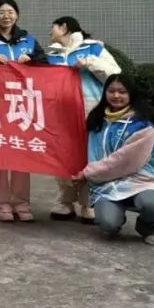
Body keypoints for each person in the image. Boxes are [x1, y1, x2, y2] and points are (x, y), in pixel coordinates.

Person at [0, 0, 45, 222]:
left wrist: (31, 58)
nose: (6, 16)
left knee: (22, 153)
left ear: (17, 15)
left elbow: (45, 63)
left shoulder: (28, 40)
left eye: (11, 12)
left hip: (23, 105)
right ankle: (1, 202)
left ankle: (21, 203)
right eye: (2, 12)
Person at [74, 75, 154, 246]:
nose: (116, 95)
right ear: (105, 93)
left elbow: (124, 161)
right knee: (108, 225)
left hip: (139, 181)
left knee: (152, 205)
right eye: (111, 91)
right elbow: (89, 151)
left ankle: (148, 226)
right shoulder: (97, 120)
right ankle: (114, 217)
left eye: (122, 92)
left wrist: (88, 173)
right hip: (106, 185)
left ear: (131, 94)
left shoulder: (142, 124)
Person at [47, 16, 122, 223]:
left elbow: (115, 74)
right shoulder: (52, 55)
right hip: (61, 113)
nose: (50, 32)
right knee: (64, 156)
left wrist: (90, 63)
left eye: (53, 27)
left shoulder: (93, 48)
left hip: (91, 108)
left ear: (64, 27)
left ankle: (89, 203)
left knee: (91, 155)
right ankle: (65, 201)